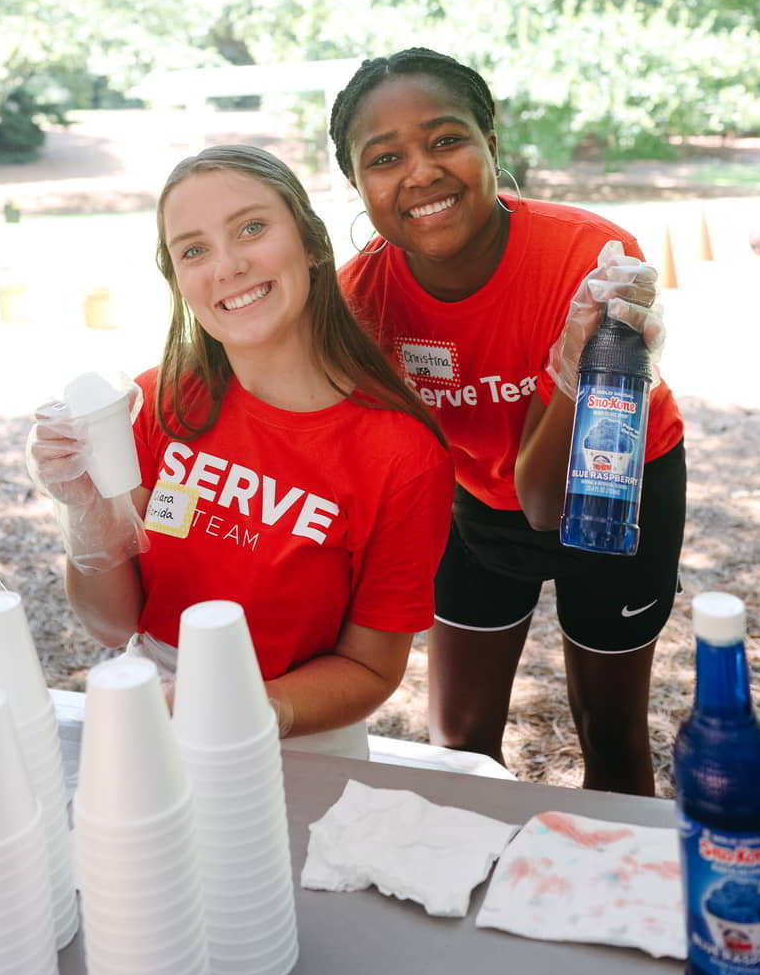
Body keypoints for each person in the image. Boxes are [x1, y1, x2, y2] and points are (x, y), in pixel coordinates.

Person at [328, 48, 684, 795]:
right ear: (356, 182)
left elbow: (547, 503)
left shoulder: (591, 260)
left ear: (492, 143)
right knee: (459, 749)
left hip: (614, 492)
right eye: (385, 156)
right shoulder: (358, 301)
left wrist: (569, 370)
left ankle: (612, 904)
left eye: (445, 138)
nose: (421, 172)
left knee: (612, 736)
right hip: (471, 498)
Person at [25, 145, 454, 755]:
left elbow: (369, 671)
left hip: (298, 733)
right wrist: (88, 512)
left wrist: (243, 708)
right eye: (193, 249)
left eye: (251, 228)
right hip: (152, 718)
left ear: (310, 243)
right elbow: (114, 624)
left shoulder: (403, 456)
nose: (227, 266)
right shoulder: (155, 403)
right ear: (177, 279)